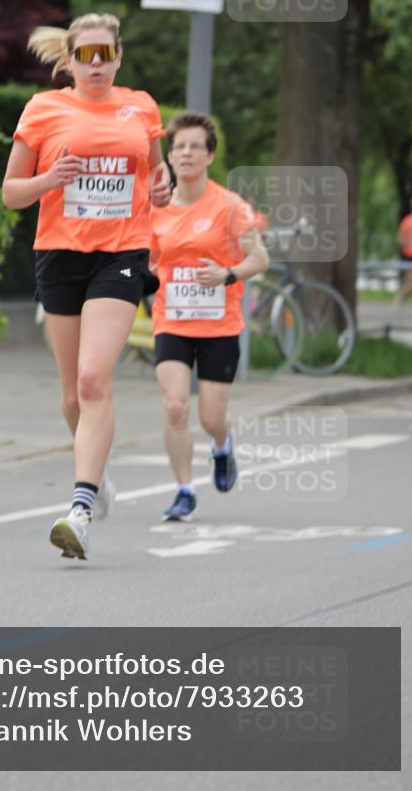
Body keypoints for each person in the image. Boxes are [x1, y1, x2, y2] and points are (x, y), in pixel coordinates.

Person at [2, 12, 171, 560]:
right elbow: (11, 192)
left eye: (105, 54)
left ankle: (79, 508)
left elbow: (157, 175)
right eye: (85, 55)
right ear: (70, 61)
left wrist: (163, 188)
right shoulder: (43, 109)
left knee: (95, 380)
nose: (96, 64)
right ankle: (97, 475)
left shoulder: (141, 107)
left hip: (120, 254)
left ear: (118, 57)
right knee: (73, 396)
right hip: (59, 254)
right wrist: (49, 179)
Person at [149, 111, 269, 521]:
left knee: (211, 417)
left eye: (195, 147)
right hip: (171, 320)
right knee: (175, 405)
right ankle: (184, 490)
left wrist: (227, 274)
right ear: (169, 156)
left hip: (219, 325)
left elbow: (260, 259)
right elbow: (149, 258)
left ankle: (222, 445)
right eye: (179, 146)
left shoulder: (230, 206)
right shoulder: (156, 207)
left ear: (209, 156)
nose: (186, 153)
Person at [394, 194, 412, 317]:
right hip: (410, 256)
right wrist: (411, 242)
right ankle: (402, 296)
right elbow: (400, 239)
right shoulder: (408, 221)